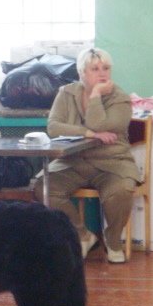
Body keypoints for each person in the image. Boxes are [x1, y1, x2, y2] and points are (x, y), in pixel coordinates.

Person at [33, 47, 141, 264]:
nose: (102, 73)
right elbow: (53, 127)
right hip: (72, 161)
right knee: (42, 186)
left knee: (121, 191)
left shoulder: (120, 98)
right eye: (95, 69)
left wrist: (95, 96)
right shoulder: (66, 93)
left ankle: (112, 240)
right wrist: (89, 134)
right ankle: (83, 235)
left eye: (106, 68)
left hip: (112, 162)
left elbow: (99, 122)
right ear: (82, 72)